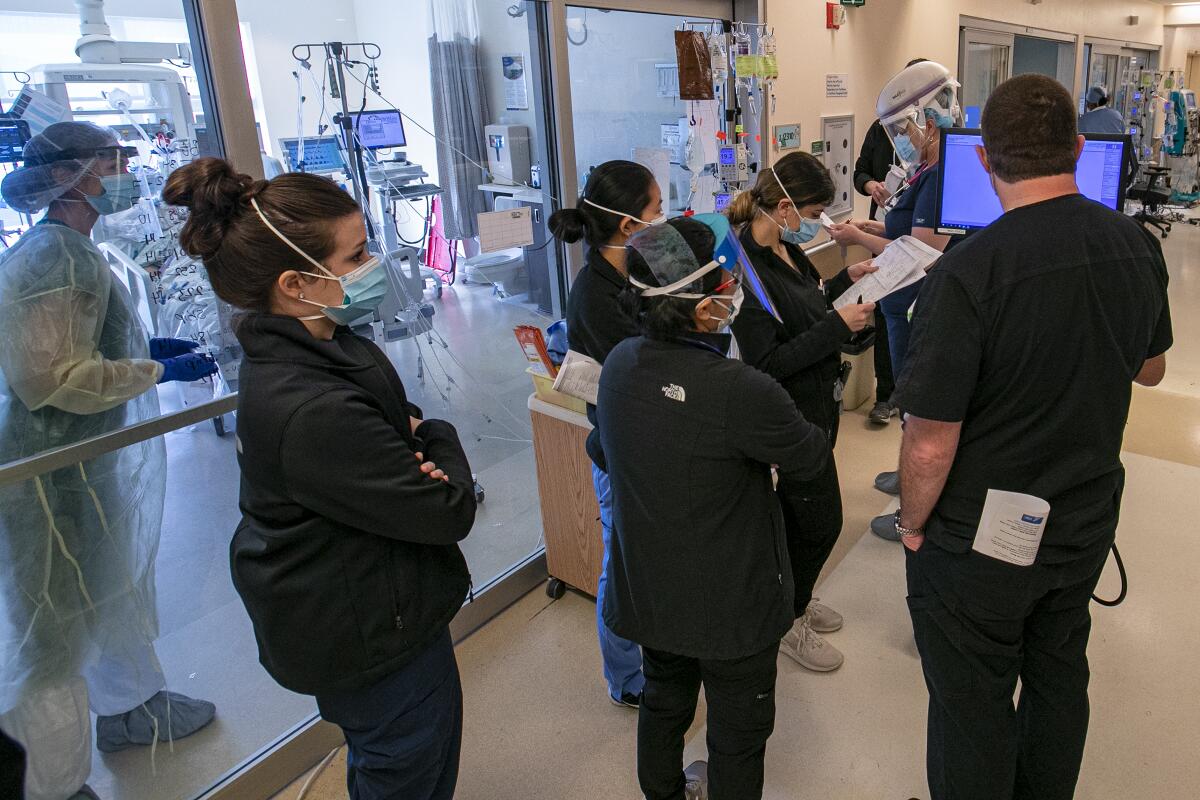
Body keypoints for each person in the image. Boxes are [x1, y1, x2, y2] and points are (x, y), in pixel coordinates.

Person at [893, 74, 1172, 800]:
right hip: (1081, 522)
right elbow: (1151, 369)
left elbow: (929, 441)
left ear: (984, 161)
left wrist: (912, 525)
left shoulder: (968, 273)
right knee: (1057, 675)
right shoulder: (1135, 245)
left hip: (979, 543)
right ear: (1078, 150)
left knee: (971, 705)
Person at [163, 158, 478, 800]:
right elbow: (446, 507)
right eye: (356, 254)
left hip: (375, 592)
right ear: (295, 283)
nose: (372, 265)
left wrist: (405, 440)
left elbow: (394, 438)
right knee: (406, 764)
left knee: (395, 754)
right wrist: (431, 436)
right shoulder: (311, 407)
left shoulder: (323, 340)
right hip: (363, 630)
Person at [0, 121, 218, 800]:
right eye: (115, 162)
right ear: (74, 175)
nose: (127, 171)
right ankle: (52, 784)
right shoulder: (51, 258)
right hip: (48, 470)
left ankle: (130, 708)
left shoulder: (76, 251)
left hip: (82, 460)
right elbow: (50, 377)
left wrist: (143, 345)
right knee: (54, 631)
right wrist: (151, 369)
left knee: (102, 587)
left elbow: (77, 339)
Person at [598, 214, 829, 800]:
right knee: (738, 731)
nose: (735, 294)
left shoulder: (620, 363)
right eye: (729, 286)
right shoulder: (740, 390)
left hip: (651, 586)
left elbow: (603, 449)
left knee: (664, 700)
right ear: (704, 310)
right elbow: (808, 456)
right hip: (732, 601)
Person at [726, 152, 878, 673]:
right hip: (791, 416)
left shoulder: (789, 250)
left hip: (820, 404)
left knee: (799, 522)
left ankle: (797, 593)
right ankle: (787, 618)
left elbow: (808, 307)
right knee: (821, 522)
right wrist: (837, 326)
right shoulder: (746, 273)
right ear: (786, 205)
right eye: (812, 208)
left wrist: (844, 281)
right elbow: (768, 362)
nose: (817, 218)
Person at [828, 60, 963, 541]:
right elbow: (904, 228)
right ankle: (905, 475)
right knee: (906, 395)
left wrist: (859, 239)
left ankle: (915, 503)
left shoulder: (945, 172)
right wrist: (872, 227)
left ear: (930, 118)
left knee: (918, 405)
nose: (901, 138)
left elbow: (922, 249)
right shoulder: (925, 167)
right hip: (898, 299)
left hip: (916, 299)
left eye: (904, 127)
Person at [550, 160, 663, 709]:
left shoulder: (637, 264)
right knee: (620, 568)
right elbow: (644, 368)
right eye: (656, 210)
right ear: (625, 224)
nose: (661, 220)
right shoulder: (593, 297)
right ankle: (625, 678)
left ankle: (656, 654)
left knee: (649, 561)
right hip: (621, 452)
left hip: (653, 443)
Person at [852, 58, 927, 426]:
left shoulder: (935, 153)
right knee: (886, 314)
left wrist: (860, 234)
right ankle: (888, 397)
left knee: (909, 321)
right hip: (884, 229)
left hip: (910, 246)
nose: (906, 132)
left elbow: (921, 245)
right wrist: (870, 186)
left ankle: (909, 401)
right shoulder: (881, 130)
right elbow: (859, 171)